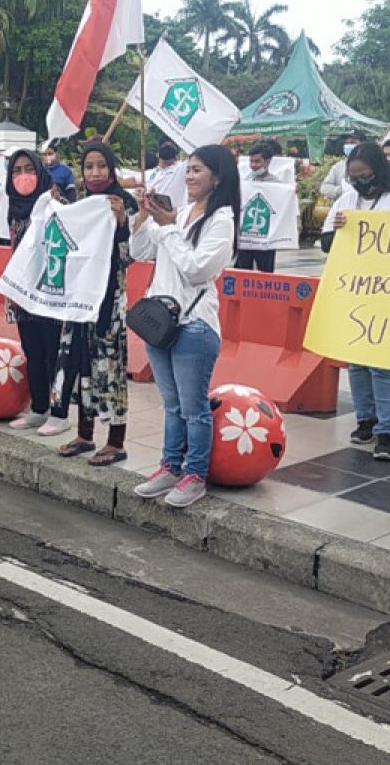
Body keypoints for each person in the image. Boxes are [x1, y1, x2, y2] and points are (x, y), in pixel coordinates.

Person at [130, 145, 238, 507]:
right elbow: (140, 251)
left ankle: (195, 474)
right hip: (159, 321)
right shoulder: (185, 212)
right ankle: (169, 466)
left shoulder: (222, 220)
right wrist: (146, 219)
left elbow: (197, 269)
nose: (189, 176)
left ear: (217, 177)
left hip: (194, 325)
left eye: (198, 170)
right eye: (188, 169)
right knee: (171, 404)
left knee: (193, 407)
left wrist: (167, 229)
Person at [320, 143, 390, 461]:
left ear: (379, 170)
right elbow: (327, 243)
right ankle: (365, 419)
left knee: (383, 364)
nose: (360, 183)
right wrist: (339, 231)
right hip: (354, 289)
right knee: (356, 361)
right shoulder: (347, 199)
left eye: (365, 176)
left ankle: (387, 431)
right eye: (354, 177)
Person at [46, 141, 136, 465]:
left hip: (109, 302)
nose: (95, 172)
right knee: (81, 364)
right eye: (89, 166)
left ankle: (116, 440)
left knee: (109, 368)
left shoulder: (124, 203)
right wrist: (58, 210)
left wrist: (123, 224)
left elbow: (131, 257)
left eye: (101, 165)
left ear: (112, 169)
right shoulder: (82, 205)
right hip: (81, 300)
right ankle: (85, 434)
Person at [3, 149, 64, 433]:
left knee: (54, 352)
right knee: (33, 352)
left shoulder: (55, 202)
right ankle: (39, 408)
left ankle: (59, 413)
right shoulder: (13, 208)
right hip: (23, 294)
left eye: (29, 168)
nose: (22, 175)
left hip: (50, 292)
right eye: (17, 170)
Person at [320, 129, 367, 201]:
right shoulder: (338, 167)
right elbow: (324, 188)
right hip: (342, 208)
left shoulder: (369, 166)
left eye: (352, 142)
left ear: (363, 144)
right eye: (346, 143)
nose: (348, 145)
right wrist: (341, 190)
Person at [145, 140, 188, 213]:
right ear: (158, 153)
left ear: (176, 154)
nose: (167, 149)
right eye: (164, 146)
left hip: (169, 219)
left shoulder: (180, 168)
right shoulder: (148, 173)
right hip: (148, 218)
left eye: (171, 147)